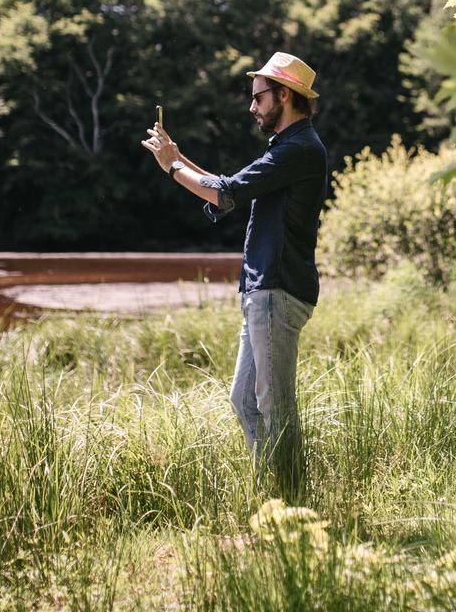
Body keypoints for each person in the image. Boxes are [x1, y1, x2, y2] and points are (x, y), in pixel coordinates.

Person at [140, 51, 328, 501]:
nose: (252, 107)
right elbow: (230, 187)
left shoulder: (299, 149)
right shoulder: (286, 150)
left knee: (274, 405)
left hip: (277, 292)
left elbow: (223, 194)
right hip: (264, 291)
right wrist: (181, 159)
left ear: (284, 95)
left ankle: (292, 506)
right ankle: (274, 498)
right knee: (245, 401)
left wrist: (171, 166)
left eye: (258, 97)